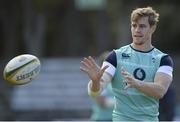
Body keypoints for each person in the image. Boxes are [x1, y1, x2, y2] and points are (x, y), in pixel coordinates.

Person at [80, 6, 173, 121]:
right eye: (134, 25)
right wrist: (95, 82)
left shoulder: (163, 59)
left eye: (142, 26)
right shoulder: (115, 57)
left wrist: (137, 84)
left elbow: (160, 91)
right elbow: (95, 92)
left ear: (152, 28)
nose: (137, 30)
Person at [90, 51, 114, 121]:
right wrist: (123, 102)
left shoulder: (115, 80)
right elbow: (101, 102)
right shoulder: (99, 80)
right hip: (102, 119)